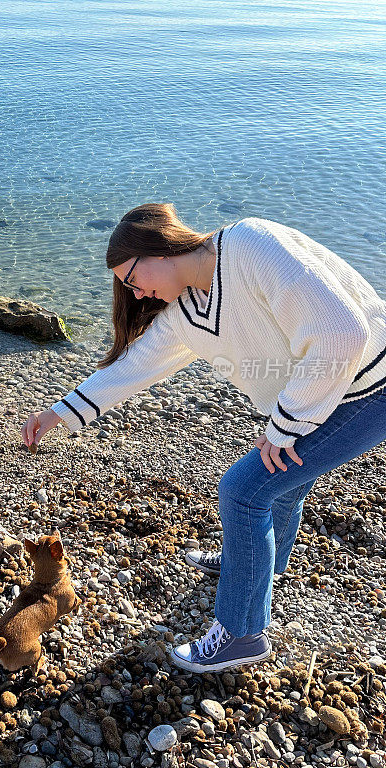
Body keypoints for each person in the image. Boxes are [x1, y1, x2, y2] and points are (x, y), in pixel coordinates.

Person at [21, 204, 386, 673]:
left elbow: (341, 332)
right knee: (281, 486)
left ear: (158, 246)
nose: (134, 291)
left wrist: (285, 427)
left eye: (131, 278)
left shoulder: (251, 245)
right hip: (325, 395)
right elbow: (136, 367)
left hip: (369, 388)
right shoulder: (186, 312)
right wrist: (58, 413)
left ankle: (241, 632)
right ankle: (256, 566)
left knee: (244, 491)